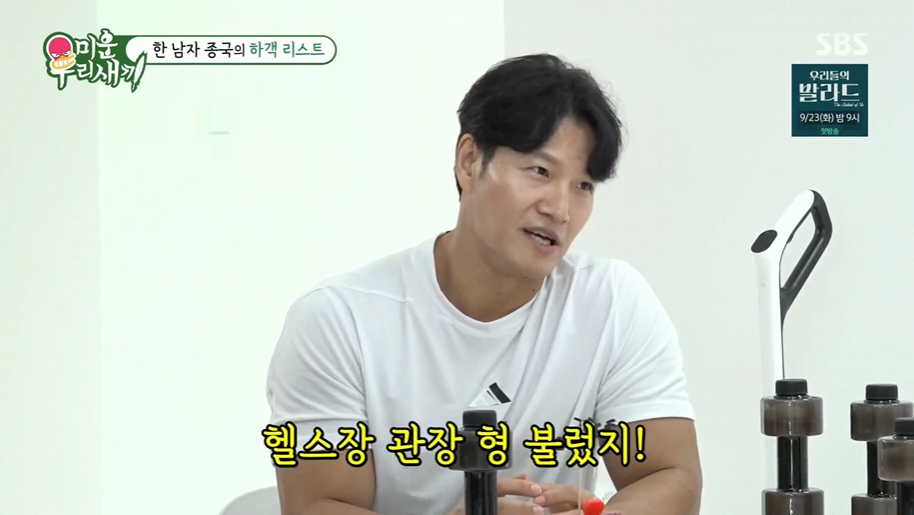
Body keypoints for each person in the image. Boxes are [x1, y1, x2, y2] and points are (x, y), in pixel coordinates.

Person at [265, 53, 702, 515]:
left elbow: (672, 477)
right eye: (540, 172)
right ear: (470, 161)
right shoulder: (338, 320)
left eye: (583, 186)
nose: (560, 210)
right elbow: (319, 505)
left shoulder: (611, 302)